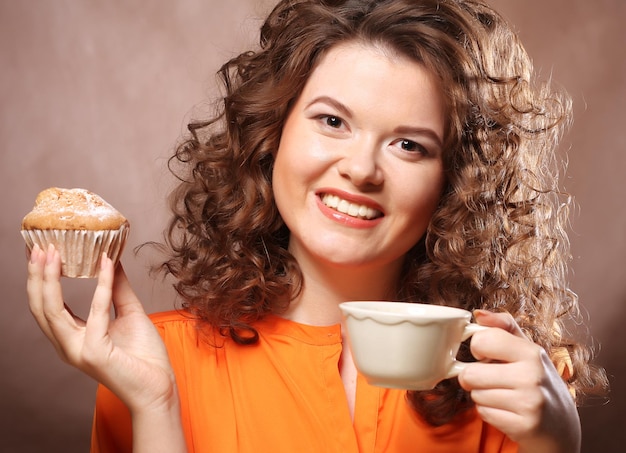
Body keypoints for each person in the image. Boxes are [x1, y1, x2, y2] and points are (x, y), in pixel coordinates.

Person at [26, 0, 608, 452]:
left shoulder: (515, 382)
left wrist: (556, 443)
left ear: (454, 182)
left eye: (409, 145)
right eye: (332, 121)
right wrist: (154, 404)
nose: (359, 169)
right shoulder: (153, 362)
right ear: (271, 135)